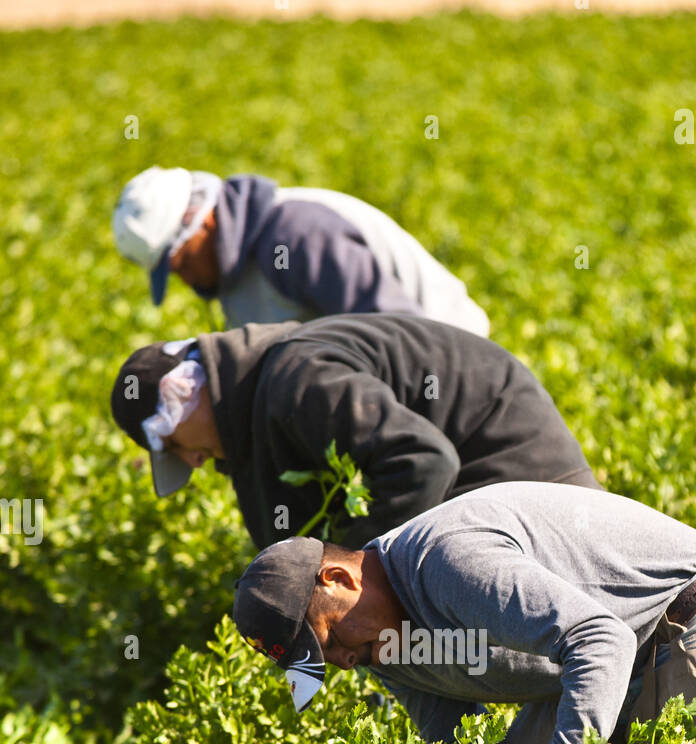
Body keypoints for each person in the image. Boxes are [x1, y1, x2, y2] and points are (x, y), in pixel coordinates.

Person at [231, 481, 696, 744]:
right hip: (609, 663)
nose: (343, 663)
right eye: (321, 663)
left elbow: (601, 640)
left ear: (338, 579)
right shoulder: (379, 645)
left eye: (327, 641)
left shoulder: (449, 561)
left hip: (691, 622)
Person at [109, 316, 602, 551]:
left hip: (531, 485)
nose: (192, 461)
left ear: (192, 392)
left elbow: (423, 462)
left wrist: (346, 560)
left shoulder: (297, 378)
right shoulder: (254, 395)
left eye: (176, 444)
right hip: (503, 496)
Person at [112, 166, 489, 336]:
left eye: (182, 263)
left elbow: (402, 337)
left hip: (453, 374)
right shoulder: (233, 264)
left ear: (204, 224)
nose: (186, 279)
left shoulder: (296, 238)